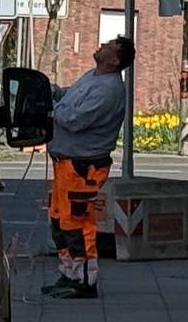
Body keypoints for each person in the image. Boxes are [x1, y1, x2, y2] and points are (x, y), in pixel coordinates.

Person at [44, 36, 134, 299]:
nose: (102, 45)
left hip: (83, 167)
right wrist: (53, 92)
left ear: (115, 60)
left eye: (109, 46)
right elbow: (70, 98)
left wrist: (52, 108)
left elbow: (74, 118)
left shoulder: (110, 89)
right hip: (67, 163)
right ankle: (70, 273)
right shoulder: (92, 77)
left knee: (77, 223)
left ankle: (85, 279)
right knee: (61, 220)